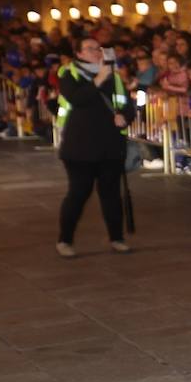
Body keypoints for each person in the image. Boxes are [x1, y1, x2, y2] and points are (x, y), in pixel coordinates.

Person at [56, 36, 137, 257]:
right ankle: (65, 240)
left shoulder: (114, 76)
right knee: (79, 193)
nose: (96, 52)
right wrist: (98, 79)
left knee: (111, 194)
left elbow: (127, 104)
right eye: (90, 49)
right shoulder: (68, 74)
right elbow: (77, 98)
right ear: (79, 54)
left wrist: (124, 116)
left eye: (98, 49)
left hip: (110, 144)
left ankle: (117, 238)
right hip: (80, 146)